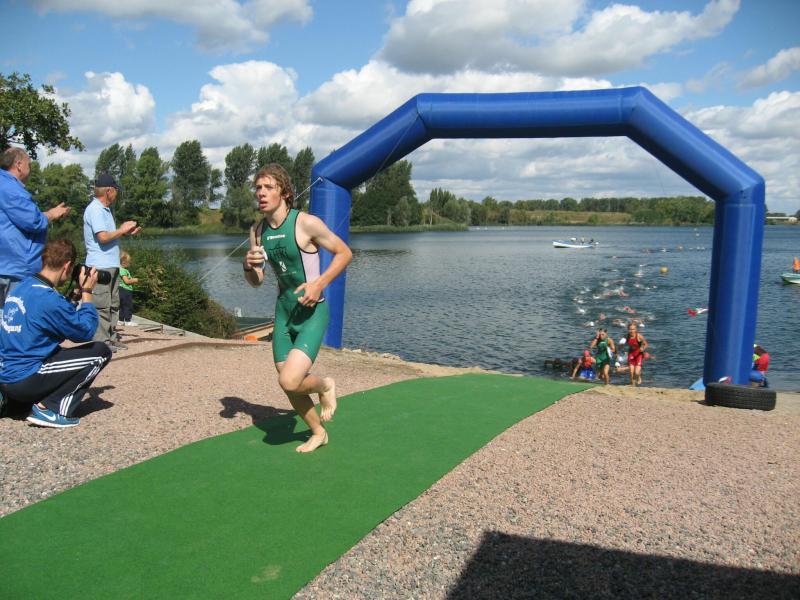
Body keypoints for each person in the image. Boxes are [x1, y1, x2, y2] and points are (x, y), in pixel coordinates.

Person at [243, 164, 352, 453]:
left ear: (285, 193)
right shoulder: (257, 231)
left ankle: (325, 385)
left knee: (290, 380)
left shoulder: (306, 223)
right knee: (288, 383)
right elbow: (257, 281)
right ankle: (318, 432)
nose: (261, 193)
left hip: (312, 313)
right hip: (283, 314)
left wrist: (319, 284)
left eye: (268, 187)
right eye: (258, 187)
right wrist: (248, 266)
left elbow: (344, 253)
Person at [0, 239, 112, 427]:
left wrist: (75, 295)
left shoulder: (24, 286)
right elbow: (85, 331)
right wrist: (86, 293)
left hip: (6, 377)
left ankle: (9, 402)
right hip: (25, 380)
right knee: (100, 352)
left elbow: (55, 317)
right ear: (67, 266)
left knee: (56, 351)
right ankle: (52, 409)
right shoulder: (48, 298)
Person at [0, 147, 70, 308]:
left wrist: (47, 213)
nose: (30, 169)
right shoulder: (12, 189)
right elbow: (33, 221)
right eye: (29, 164)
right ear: (19, 165)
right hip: (14, 268)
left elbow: (21, 216)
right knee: (17, 316)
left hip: (6, 266)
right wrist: (52, 214)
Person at [83, 173, 140, 351]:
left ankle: (111, 337)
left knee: (114, 303)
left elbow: (110, 236)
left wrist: (125, 232)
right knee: (101, 304)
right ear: (109, 191)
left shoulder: (105, 210)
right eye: (116, 190)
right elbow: (103, 237)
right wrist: (121, 229)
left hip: (111, 264)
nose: (117, 193)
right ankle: (101, 341)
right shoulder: (95, 209)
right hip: (100, 266)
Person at [622, 322, 648, 386]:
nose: (631, 331)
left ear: (636, 329)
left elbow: (646, 344)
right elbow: (622, 344)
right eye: (630, 329)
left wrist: (643, 348)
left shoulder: (639, 336)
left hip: (639, 354)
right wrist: (620, 346)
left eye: (633, 329)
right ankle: (632, 384)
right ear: (628, 329)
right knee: (631, 371)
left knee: (636, 372)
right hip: (631, 354)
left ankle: (638, 377)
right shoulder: (626, 336)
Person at [118, 250, 139, 326]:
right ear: (124, 262)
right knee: (128, 305)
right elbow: (126, 281)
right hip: (126, 290)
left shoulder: (118, 269)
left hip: (120, 289)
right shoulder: (123, 270)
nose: (129, 263)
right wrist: (134, 280)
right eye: (128, 262)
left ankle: (120, 320)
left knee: (122, 305)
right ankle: (127, 320)